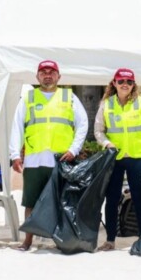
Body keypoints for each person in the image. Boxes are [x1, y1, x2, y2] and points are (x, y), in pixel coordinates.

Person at [9, 60, 88, 251]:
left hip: (61, 161)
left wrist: (73, 150)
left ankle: (61, 240)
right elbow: (17, 127)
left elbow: (82, 123)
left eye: (51, 72)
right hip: (34, 161)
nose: (47, 75)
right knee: (30, 202)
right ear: (37, 76)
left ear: (58, 76)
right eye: (43, 72)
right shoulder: (28, 98)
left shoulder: (69, 97)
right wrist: (14, 154)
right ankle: (28, 240)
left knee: (62, 201)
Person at [93, 68, 141, 251]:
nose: (125, 85)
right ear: (114, 83)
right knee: (111, 198)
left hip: (139, 156)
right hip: (115, 157)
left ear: (133, 84)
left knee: (140, 198)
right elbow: (98, 130)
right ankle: (110, 239)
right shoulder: (106, 104)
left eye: (129, 82)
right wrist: (106, 144)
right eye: (121, 81)